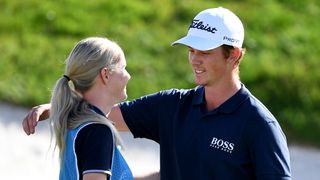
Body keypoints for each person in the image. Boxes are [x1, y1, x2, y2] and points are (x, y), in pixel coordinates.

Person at [22, 7, 291, 179]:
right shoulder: (172, 106)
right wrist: (53, 107)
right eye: (191, 50)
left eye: (205, 53)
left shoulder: (259, 125)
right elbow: (100, 113)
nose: (194, 59)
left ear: (233, 55)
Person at [37, 37, 133, 180]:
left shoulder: (74, 119)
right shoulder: (98, 131)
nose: (128, 76)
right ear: (105, 74)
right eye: (123, 68)